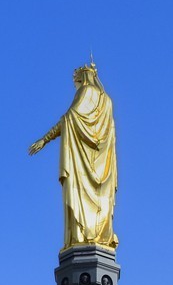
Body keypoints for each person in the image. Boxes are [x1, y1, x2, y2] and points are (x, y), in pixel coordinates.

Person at [29, 63, 118, 249]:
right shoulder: (107, 100)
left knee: (77, 198)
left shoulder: (85, 92)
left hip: (81, 163)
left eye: (75, 81)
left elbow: (69, 118)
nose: (75, 85)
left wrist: (44, 140)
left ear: (81, 78)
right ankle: (99, 235)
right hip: (102, 164)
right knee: (100, 202)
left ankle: (80, 237)